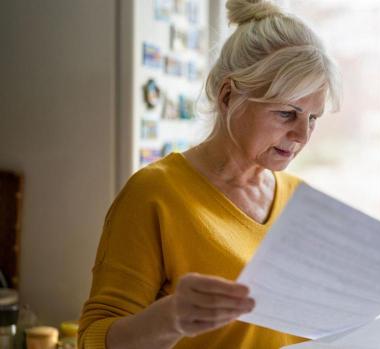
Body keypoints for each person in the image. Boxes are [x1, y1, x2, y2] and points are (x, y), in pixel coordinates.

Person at [78, 0, 340, 347]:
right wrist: (171, 318)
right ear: (228, 96)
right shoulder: (155, 194)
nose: (302, 135)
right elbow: (94, 339)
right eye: (287, 113)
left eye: (313, 118)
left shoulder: (300, 199)